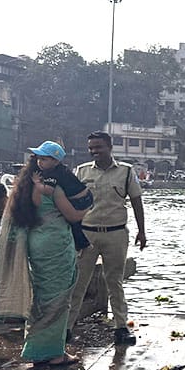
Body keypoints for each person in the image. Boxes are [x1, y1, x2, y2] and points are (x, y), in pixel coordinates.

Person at [0, 144, 91, 366]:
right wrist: (88, 205)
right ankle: (54, 353)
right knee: (58, 298)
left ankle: (37, 348)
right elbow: (73, 215)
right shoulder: (52, 188)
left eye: (44, 159)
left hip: (35, 243)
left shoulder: (24, 188)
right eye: (41, 158)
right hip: (55, 243)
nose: (41, 162)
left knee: (41, 296)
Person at [67, 132, 146, 344]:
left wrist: (142, 231)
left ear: (110, 147)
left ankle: (121, 327)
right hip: (87, 233)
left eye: (99, 147)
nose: (94, 151)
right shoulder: (82, 171)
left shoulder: (126, 172)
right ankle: (66, 327)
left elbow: (137, 201)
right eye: (91, 148)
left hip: (116, 233)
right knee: (78, 282)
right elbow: (72, 203)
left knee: (115, 282)